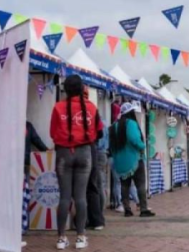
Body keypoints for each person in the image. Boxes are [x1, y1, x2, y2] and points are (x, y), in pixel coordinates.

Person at [50, 75, 103, 250]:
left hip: (64, 153)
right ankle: (80, 237)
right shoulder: (91, 108)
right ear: (82, 89)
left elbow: (53, 132)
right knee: (80, 197)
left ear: (66, 89)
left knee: (65, 197)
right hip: (85, 153)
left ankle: (61, 238)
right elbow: (99, 131)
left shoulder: (58, 107)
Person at [110, 102, 156, 217]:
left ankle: (127, 209)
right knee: (140, 184)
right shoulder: (130, 123)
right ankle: (143, 209)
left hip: (120, 162)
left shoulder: (113, 126)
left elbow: (111, 146)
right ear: (130, 112)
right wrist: (142, 145)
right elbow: (134, 139)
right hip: (135, 160)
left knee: (124, 185)